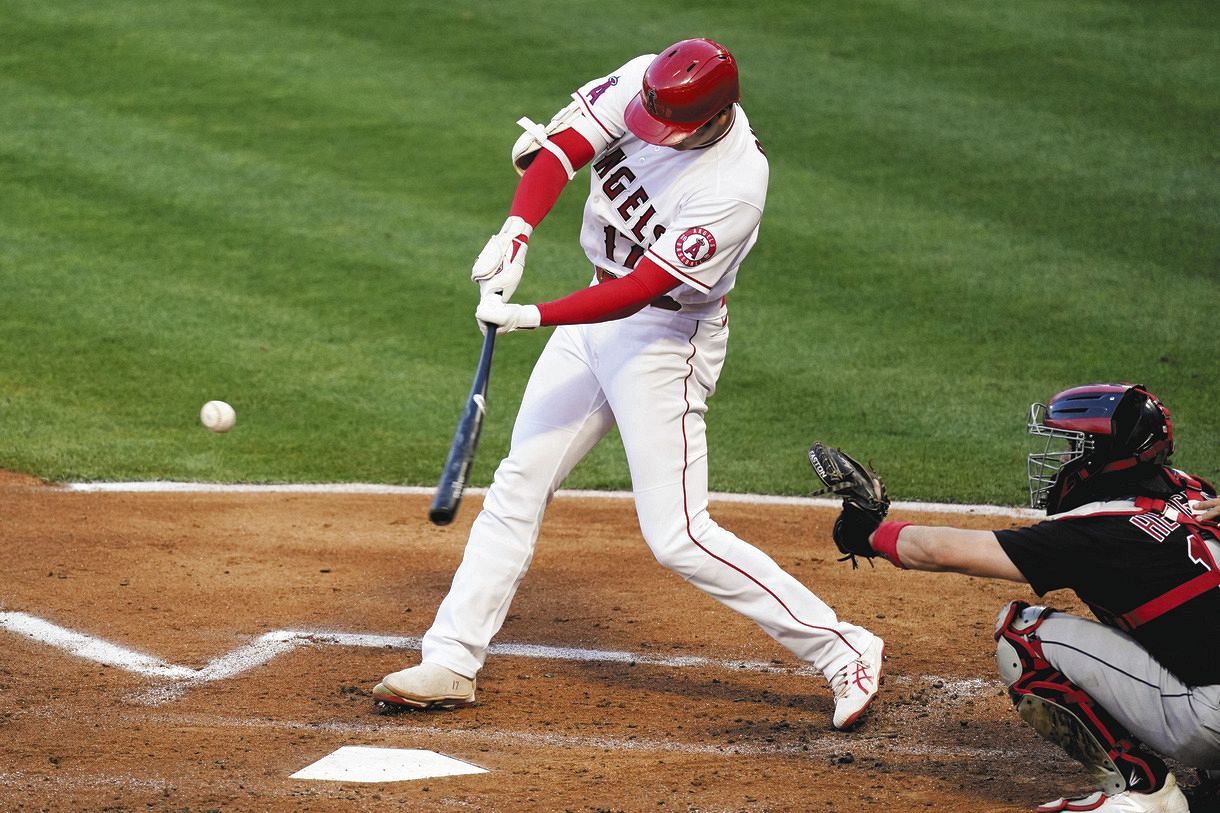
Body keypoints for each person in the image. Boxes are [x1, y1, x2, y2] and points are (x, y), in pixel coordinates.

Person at [372, 38, 884, 730]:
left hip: (664, 340)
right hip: (595, 310)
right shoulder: (652, 83)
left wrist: (532, 314)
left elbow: (643, 289)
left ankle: (842, 645)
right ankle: (452, 659)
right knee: (521, 479)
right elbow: (562, 149)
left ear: (713, 118)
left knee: (677, 534)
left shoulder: (733, 187)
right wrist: (517, 232)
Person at [822, 383, 1219, 813]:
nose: (1064, 460)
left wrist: (870, 533)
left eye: (1075, 447)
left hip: (1207, 719)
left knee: (1022, 634)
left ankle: (1146, 790)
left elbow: (945, 553)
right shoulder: (1197, 492)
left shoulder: (1096, 529)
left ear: (1104, 455)